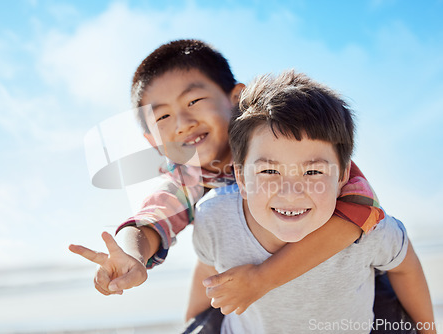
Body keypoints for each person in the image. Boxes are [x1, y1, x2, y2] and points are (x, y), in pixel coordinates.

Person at [69, 39, 388, 319]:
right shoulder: (189, 176)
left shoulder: (284, 138)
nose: (182, 123)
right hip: (252, 287)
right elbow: (152, 220)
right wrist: (132, 256)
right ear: (153, 140)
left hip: (344, 281)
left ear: (235, 98)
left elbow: (361, 207)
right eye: (162, 117)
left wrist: (264, 278)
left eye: (193, 101)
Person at [187, 70, 436, 333]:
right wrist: (191, 324)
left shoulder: (370, 231)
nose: (291, 192)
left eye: (313, 172)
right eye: (270, 171)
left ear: (342, 176)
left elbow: (405, 266)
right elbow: (207, 270)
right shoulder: (214, 216)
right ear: (242, 178)